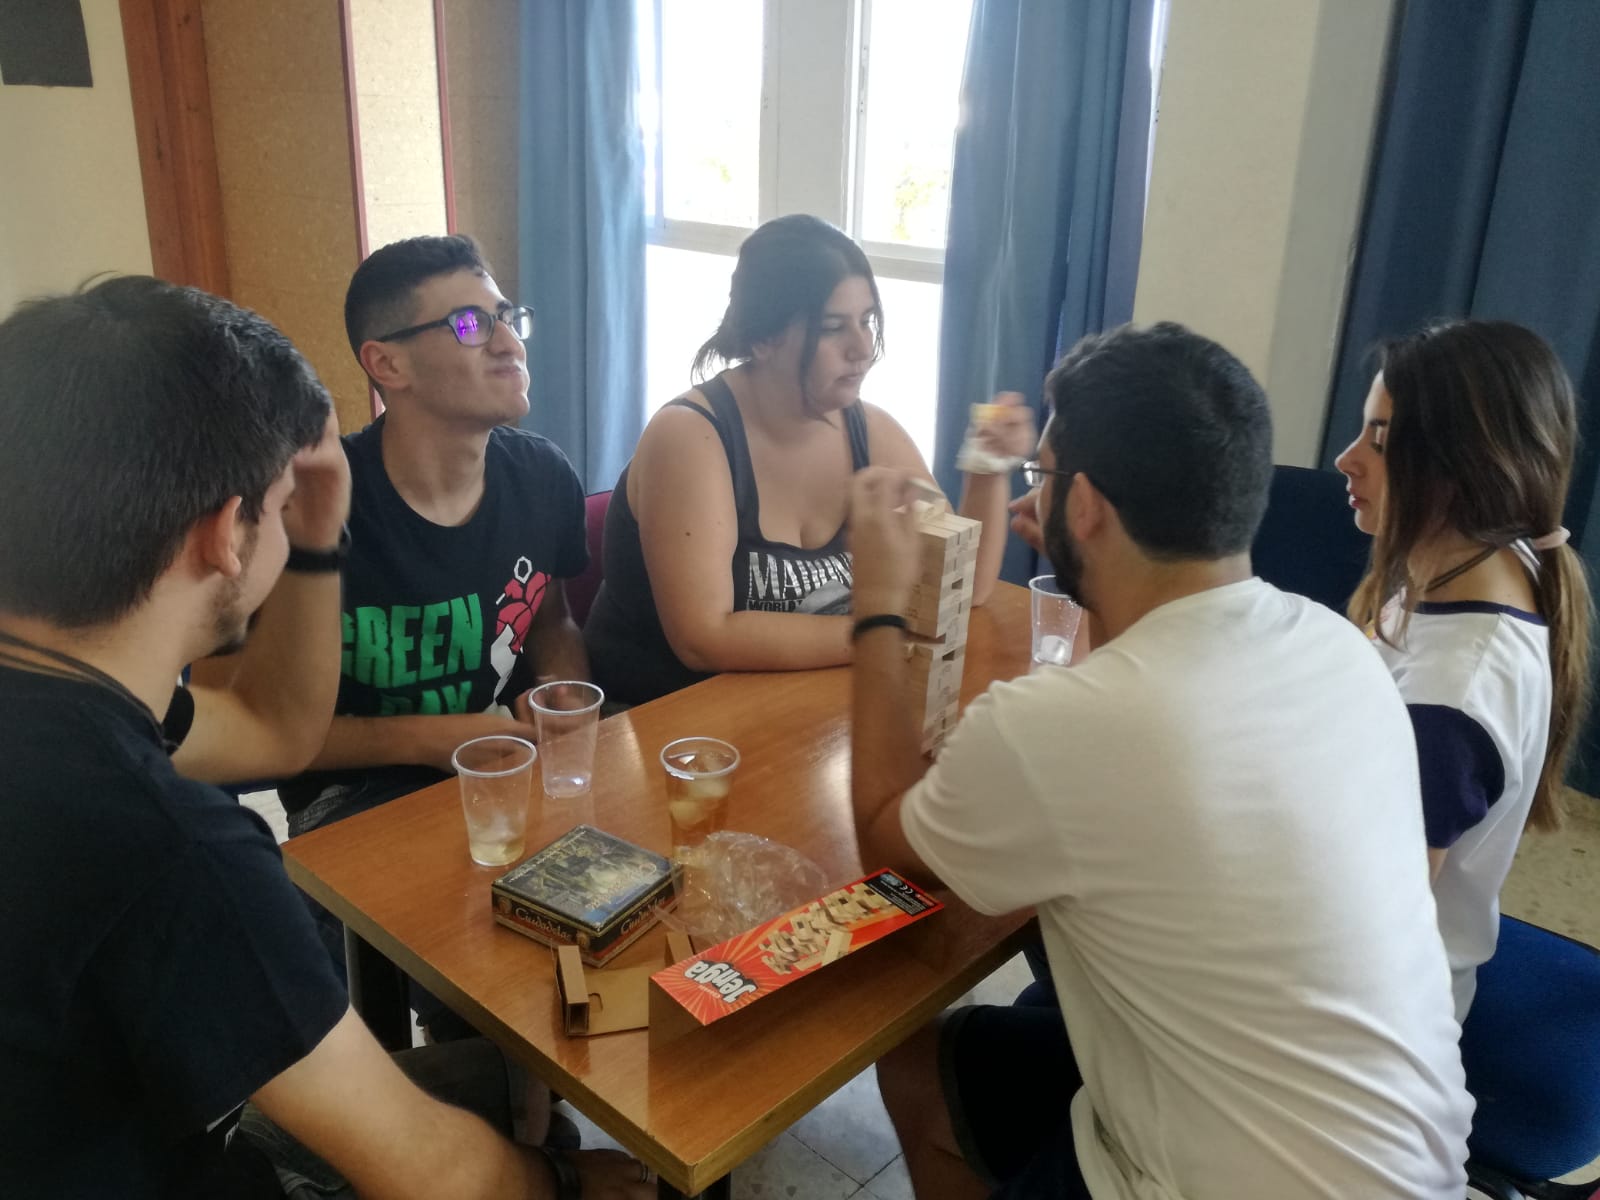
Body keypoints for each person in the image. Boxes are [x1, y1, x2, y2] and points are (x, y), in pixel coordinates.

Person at [0, 277, 650, 1199]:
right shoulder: (179, 853)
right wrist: (569, 1182)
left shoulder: (71, 699)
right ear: (226, 535)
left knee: (495, 1074)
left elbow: (269, 732)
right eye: (281, 504)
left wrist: (313, 538)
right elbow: (433, 1173)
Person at [847, 322, 1472, 1199]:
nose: (1036, 495)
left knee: (916, 1054)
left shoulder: (1063, 726)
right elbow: (1151, 699)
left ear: (1087, 506)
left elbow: (886, 842)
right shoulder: (1338, 645)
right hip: (1416, 1169)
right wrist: (1089, 559)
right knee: (933, 1071)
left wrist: (879, 603)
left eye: (1042, 478)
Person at [583, 213, 1032, 705]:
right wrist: (882, 632)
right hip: (655, 718)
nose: (862, 348)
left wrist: (988, 465)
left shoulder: (870, 430)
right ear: (763, 338)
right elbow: (703, 639)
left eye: (867, 321)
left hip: (787, 703)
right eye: (833, 328)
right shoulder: (690, 437)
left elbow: (961, 590)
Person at [281, 234, 590, 836]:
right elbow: (255, 725)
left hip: (492, 762)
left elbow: (551, 623)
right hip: (351, 794)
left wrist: (560, 691)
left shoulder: (543, 477)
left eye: (507, 318)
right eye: (471, 324)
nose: (509, 344)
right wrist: (428, 739)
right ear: (387, 364)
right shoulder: (315, 503)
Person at [1334, 318, 1593, 1023]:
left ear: (1466, 467)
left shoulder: (1450, 698)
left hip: (1366, 1021)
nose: (1347, 460)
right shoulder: (1486, 559)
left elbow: (1357, 928)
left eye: (1381, 441)